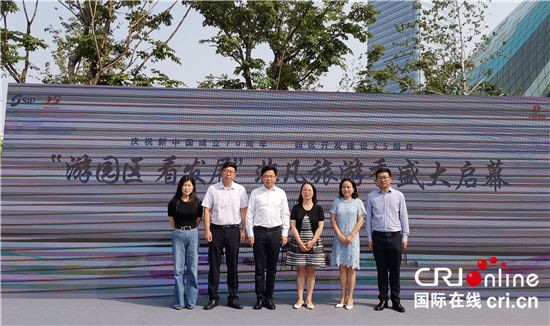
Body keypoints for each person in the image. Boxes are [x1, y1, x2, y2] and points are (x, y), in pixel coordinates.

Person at [202, 161, 248, 310]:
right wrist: (207, 230)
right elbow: (207, 210)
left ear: (235, 174)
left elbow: (243, 211)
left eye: (231, 171)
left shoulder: (240, 190)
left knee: (232, 265)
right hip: (216, 230)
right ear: (221, 172)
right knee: (214, 266)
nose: (228, 173)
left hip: (233, 230)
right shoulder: (213, 189)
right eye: (225, 171)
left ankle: (233, 298)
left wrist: (244, 230)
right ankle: (213, 298)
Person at [246, 165, 290, 310]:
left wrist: (284, 234)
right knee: (259, 268)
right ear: (262, 177)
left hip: (276, 233)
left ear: (276, 178)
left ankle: (269, 298)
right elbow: (249, 214)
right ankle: (260, 298)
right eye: (266, 176)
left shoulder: (281, 193)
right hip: (259, 232)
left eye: (271, 176)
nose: (269, 178)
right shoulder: (255, 193)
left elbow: (285, 215)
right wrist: (250, 234)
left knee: (271, 269)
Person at [366, 167, 409, 313]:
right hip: (378, 237)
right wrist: (369, 237)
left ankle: (396, 301)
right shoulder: (371, 196)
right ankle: (383, 300)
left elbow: (403, 216)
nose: (382, 180)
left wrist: (405, 236)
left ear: (390, 179)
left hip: (395, 237)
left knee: (395, 271)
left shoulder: (399, 195)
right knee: (382, 271)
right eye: (379, 177)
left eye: (385, 177)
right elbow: (368, 220)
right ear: (376, 181)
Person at [286, 182, 325, 310]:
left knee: (311, 271)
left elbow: (320, 227)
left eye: (309, 190)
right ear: (301, 192)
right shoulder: (296, 208)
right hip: (298, 243)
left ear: (313, 193)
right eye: (304, 190)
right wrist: (299, 242)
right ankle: (299, 298)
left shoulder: (318, 209)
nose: (306, 192)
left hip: (314, 243)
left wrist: (312, 241)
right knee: (300, 271)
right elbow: (293, 226)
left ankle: (309, 299)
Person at [330, 178, 365, 310]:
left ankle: (350, 297)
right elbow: (332, 219)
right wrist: (339, 234)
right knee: (342, 268)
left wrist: (351, 236)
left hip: (353, 240)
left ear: (354, 189)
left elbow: (360, 221)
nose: (346, 189)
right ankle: (342, 296)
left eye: (349, 187)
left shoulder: (358, 202)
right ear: (340, 189)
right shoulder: (336, 202)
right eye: (344, 187)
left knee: (351, 269)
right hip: (339, 239)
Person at [168, 175, 203, 310]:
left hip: (193, 234)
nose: (186, 188)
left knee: (193, 268)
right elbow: (171, 219)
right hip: (178, 234)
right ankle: (179, 302)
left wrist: (190, 229)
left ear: (193, 186)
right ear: (180, 186)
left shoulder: (197, 202)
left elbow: (199, 219)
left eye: (189, 185)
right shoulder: (174, 202)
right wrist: (181, 229)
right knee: (178, 269)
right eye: (184, 185)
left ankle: (191, 301)